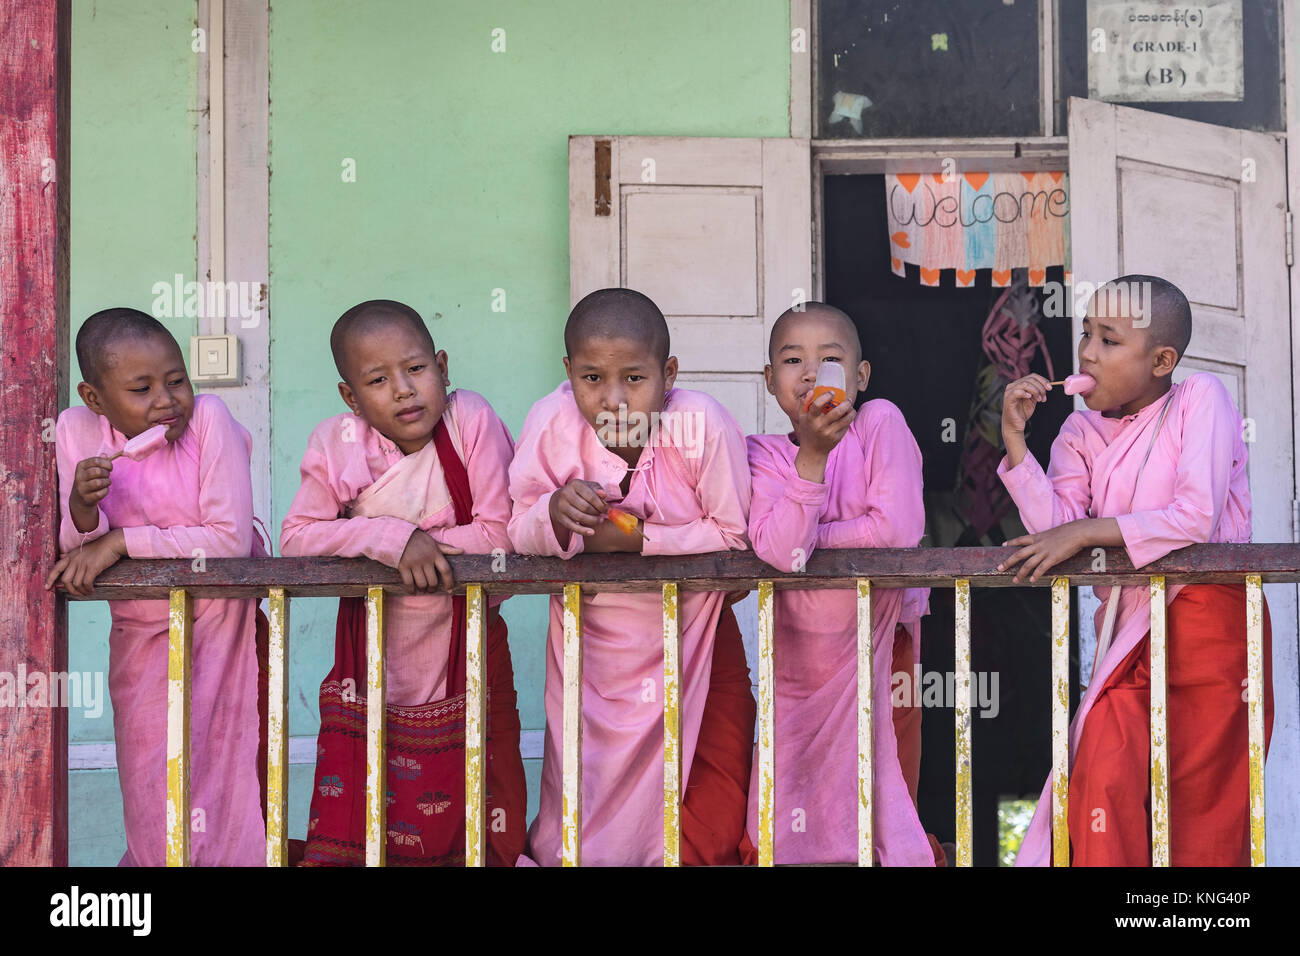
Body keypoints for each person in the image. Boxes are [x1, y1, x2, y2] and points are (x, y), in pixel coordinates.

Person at [998, 274, 1274, 866]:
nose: (1088, 352)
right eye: (1086, 335)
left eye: (1110, 340)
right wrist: (1018, 445)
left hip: (1210, 619)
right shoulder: (1077, 430)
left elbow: (1195, 515)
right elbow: (1058, 528)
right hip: (1125, 626)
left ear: (1161, 360)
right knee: (1101, 763)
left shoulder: (1201, 398)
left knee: (1205, 796)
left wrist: (1085, 531)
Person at [508, 287, 754, 865]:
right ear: (567, 371)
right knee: (583, 795)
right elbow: (514, 529)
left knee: (707, 809)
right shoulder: (550, 421)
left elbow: (735, 539)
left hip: (697, 638)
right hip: (590, 650)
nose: (613, 398)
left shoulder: (701, 423)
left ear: (668, 372)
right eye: (591, 378)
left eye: (635, 378)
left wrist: (641, 540)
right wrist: (552, 513)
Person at [281, 299, 526, 865]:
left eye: (416, 370)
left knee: (481, 789)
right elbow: (296, 539)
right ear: (351, 398)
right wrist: (390, 539)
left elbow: (504, 535)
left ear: (442, 367)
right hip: (372, 651)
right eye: (377, 379)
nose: (403, 390)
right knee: (370, 798)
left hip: (467, 641)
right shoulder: (337, 441)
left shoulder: (471, 420)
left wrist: (414, 546)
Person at [45, 307, 268, 866]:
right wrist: (82, 505)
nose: (166, 400)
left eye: (176, 380)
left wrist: (121, 543)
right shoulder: (76, 430)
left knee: (224, 767)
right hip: (140, 635)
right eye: (141, 389)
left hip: (224, 627)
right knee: (151, 775)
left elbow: (227, 541)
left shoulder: (209, 420)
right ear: (95, 399)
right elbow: (76, 550)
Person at [738, 302, 943, 866]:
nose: (810, 372)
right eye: (792, 359)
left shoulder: (880, 423)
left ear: (860, 376)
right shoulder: (760, 455)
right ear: (769, 379)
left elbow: (896, 530)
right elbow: (780, 550)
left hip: (881, 647)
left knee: (885, 788)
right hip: (796, 662)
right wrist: (811, 458)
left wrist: (805, 538)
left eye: (830, 358)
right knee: (789, 794)